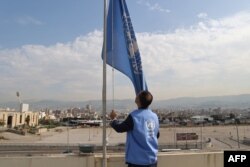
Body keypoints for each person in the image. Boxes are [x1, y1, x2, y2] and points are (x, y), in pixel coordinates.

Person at [110, 90, 160, 167]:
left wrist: (114, 119)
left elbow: (119, 128)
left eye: (138, 95)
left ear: (138, 100)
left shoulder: (134, 116)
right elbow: (156, 135)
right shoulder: (154, 116)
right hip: (152, 160)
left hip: (137, 162)